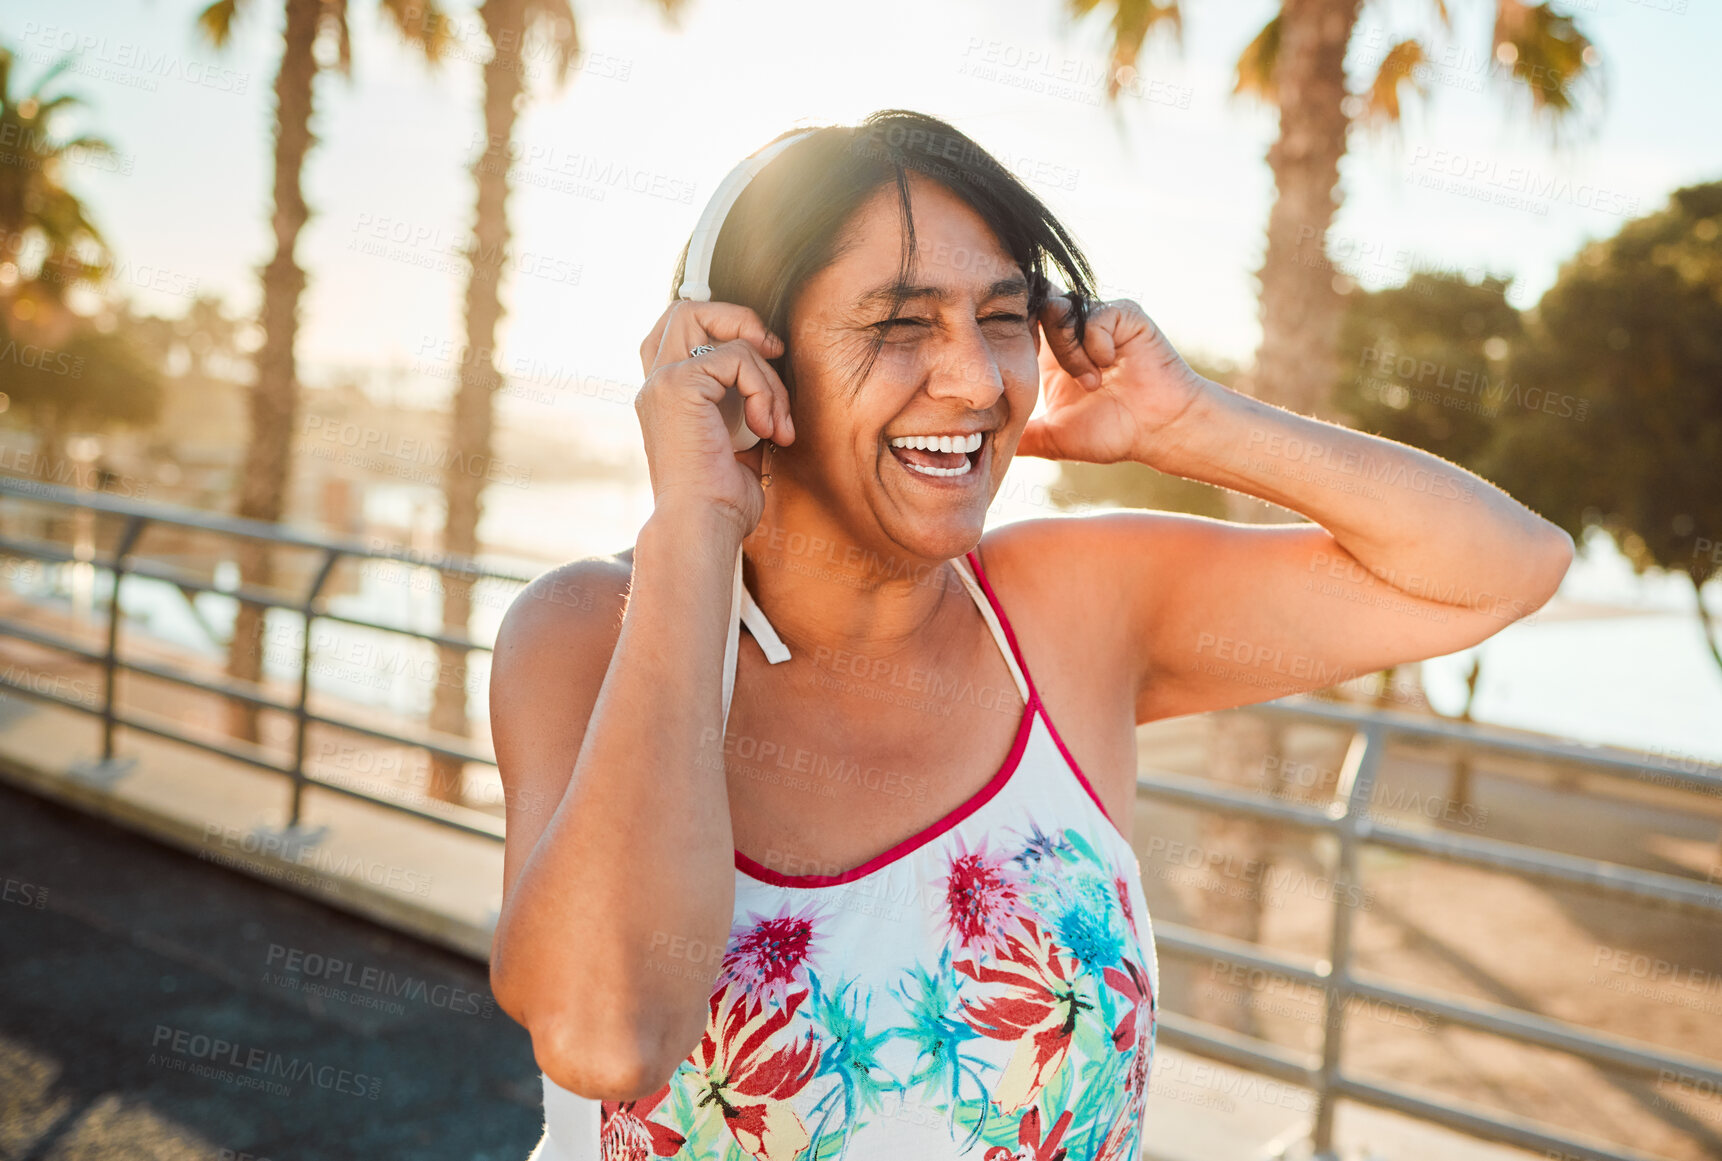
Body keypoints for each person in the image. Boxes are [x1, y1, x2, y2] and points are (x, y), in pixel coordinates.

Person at [487, 109, 1573, 1161]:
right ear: (748, 363)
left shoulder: (1067, 611)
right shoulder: (589, 632)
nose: (976, 379)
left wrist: (1194, 426)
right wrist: (696, 524)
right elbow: (606, 1030)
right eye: (900, 324)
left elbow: (1501, 568)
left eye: (1001, 318)